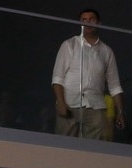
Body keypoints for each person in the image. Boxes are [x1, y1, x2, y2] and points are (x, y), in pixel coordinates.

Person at [51, 8, 124, 139]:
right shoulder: (69, 45)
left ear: (99, 23)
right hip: (70, 104)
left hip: (96, 107)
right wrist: (61, 102)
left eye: (91, 19)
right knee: (64, 146)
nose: (87, 23)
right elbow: (58, 78)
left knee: (95, 147)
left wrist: (120, 112)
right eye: (84, 20)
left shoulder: (107, 51)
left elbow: (115, 86)